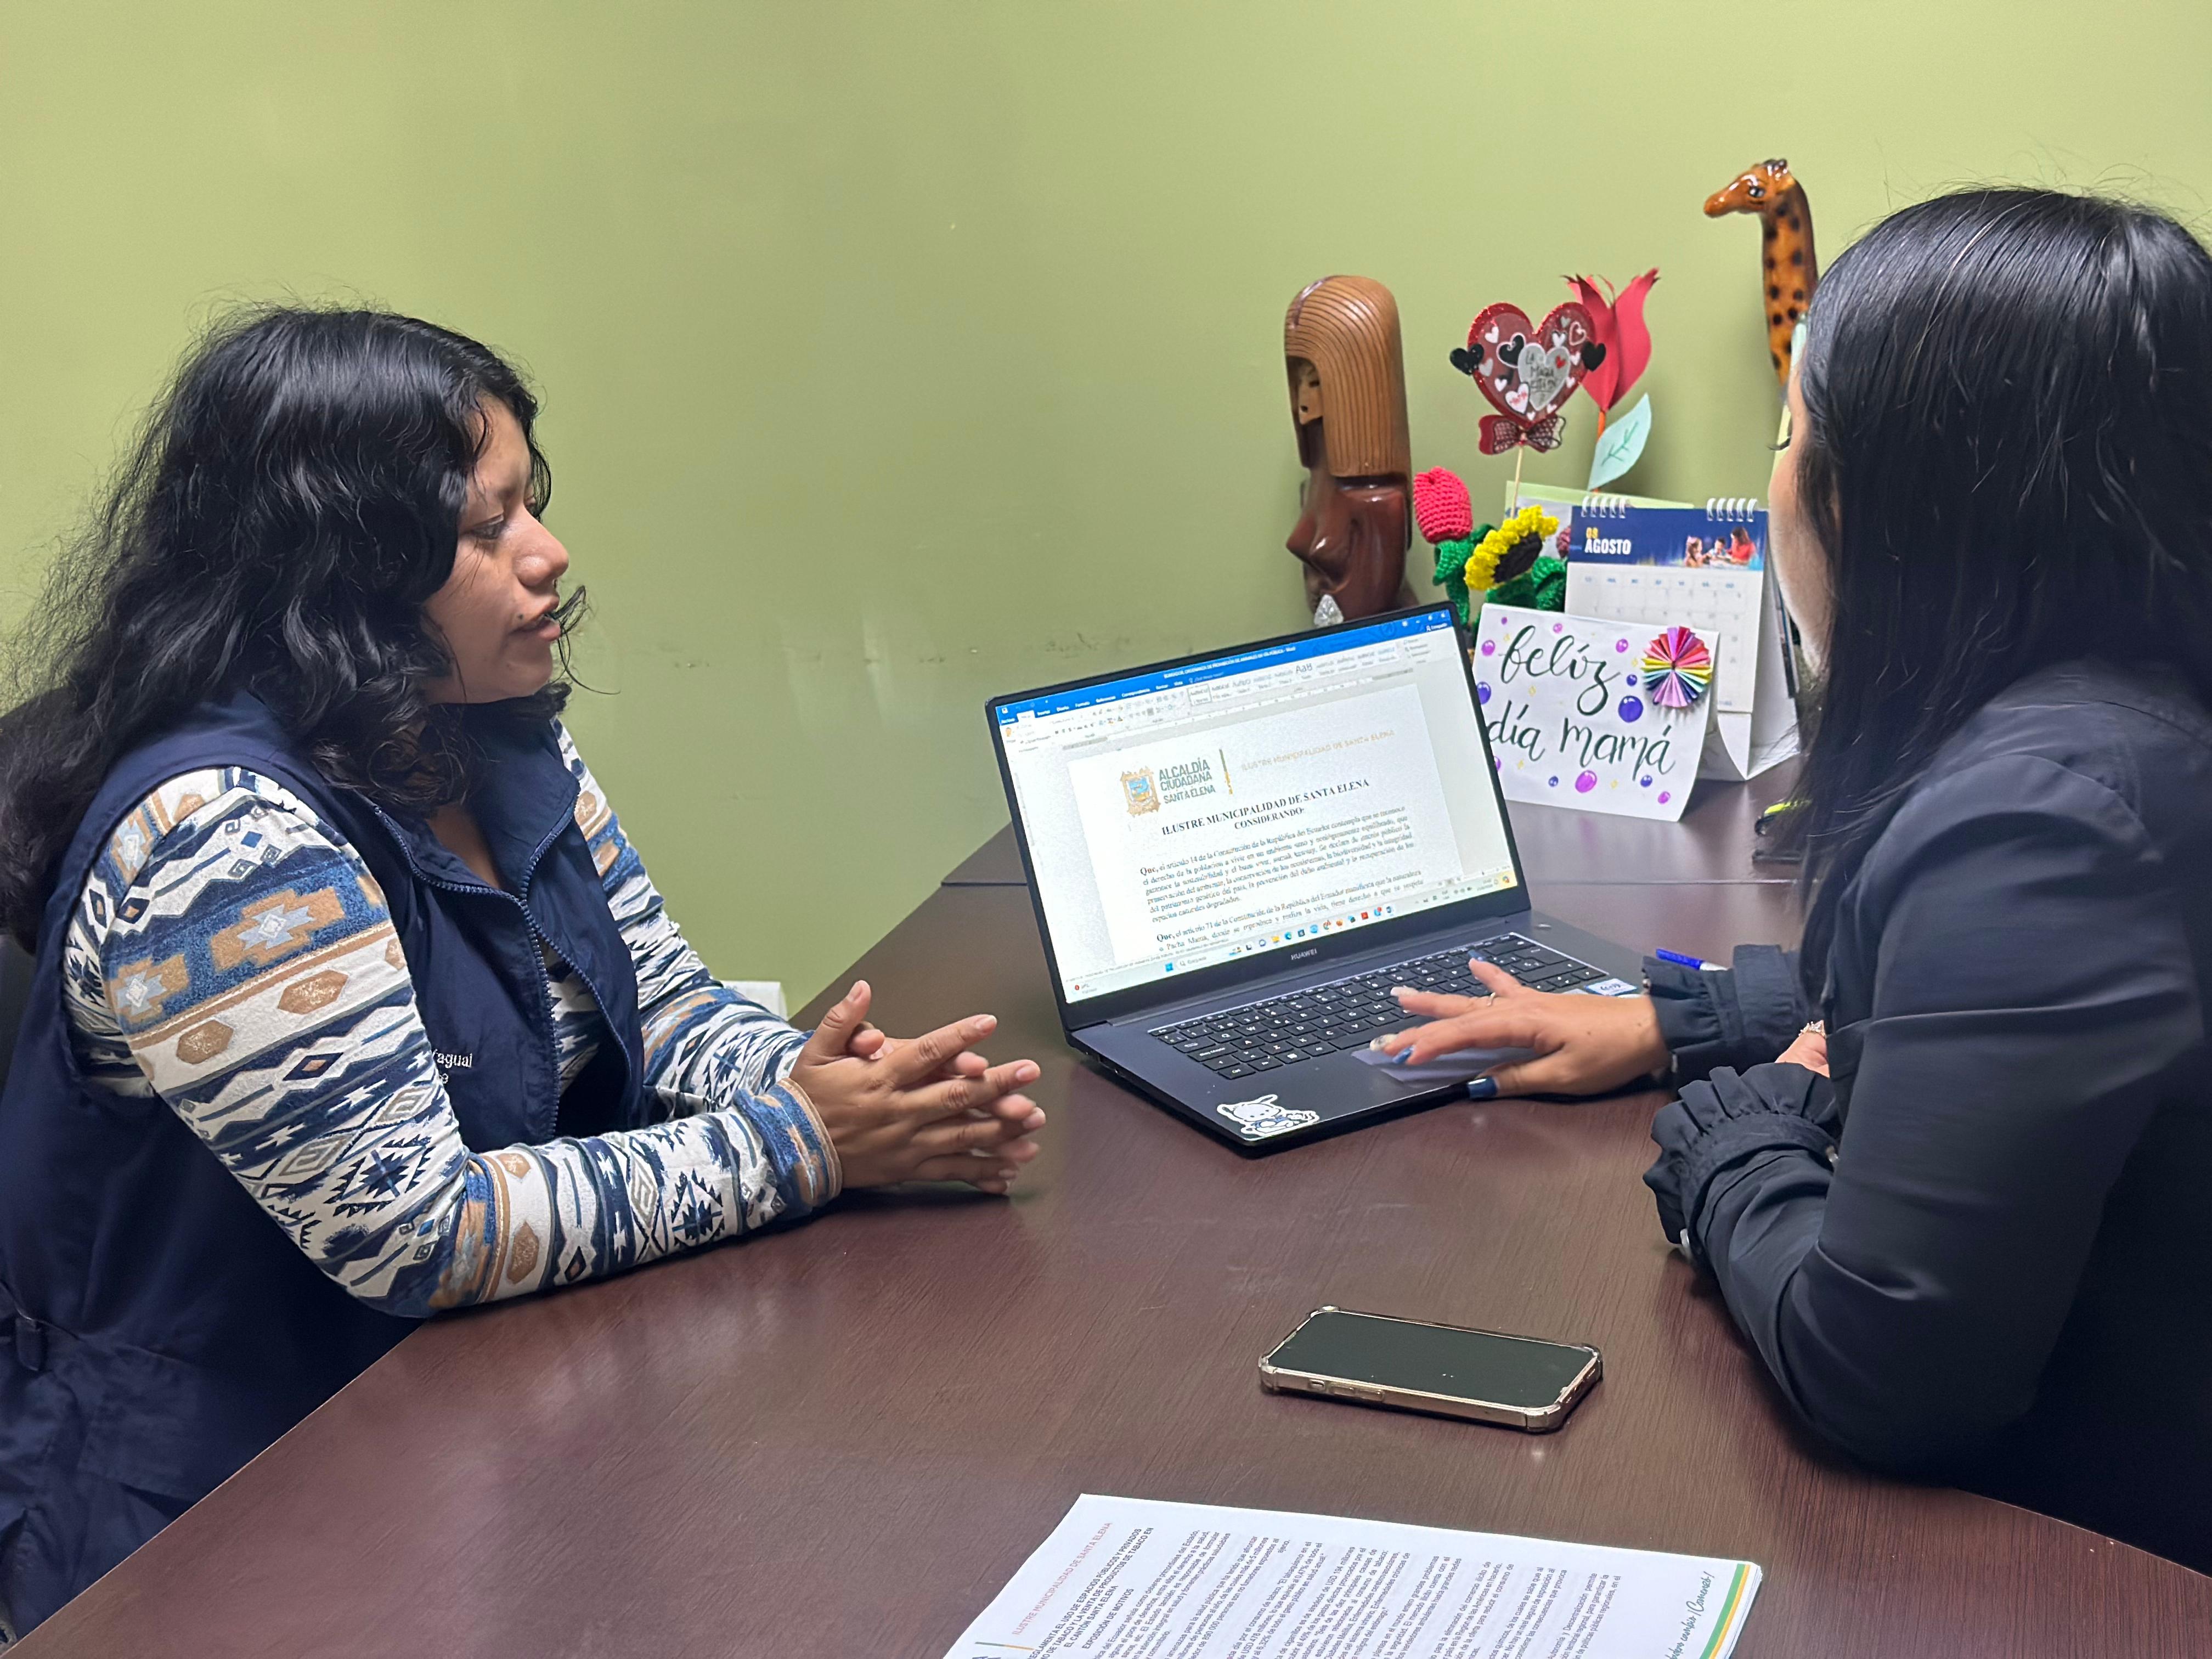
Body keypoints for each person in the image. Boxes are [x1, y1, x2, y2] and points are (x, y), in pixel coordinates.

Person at [0, 308, 1048, 1634]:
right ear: (338, 570)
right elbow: (414, 1232)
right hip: (233, 1509)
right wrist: (810, 1143)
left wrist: (843, 1083)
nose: (548, 554)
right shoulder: (222, 839)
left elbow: (660, 1003)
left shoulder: (477, 724)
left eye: (530, 505)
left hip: (486, 1407)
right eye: (484, 528)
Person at [1376, 189, 2212, 1571]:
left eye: (1789, 435)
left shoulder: (2039, 827)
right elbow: (2012, 1013)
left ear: (1908, 506)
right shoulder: (2134, 726)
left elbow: (1882, 1372)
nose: (1778, 480)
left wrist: (1736, 1134)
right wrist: (1684, 1019)